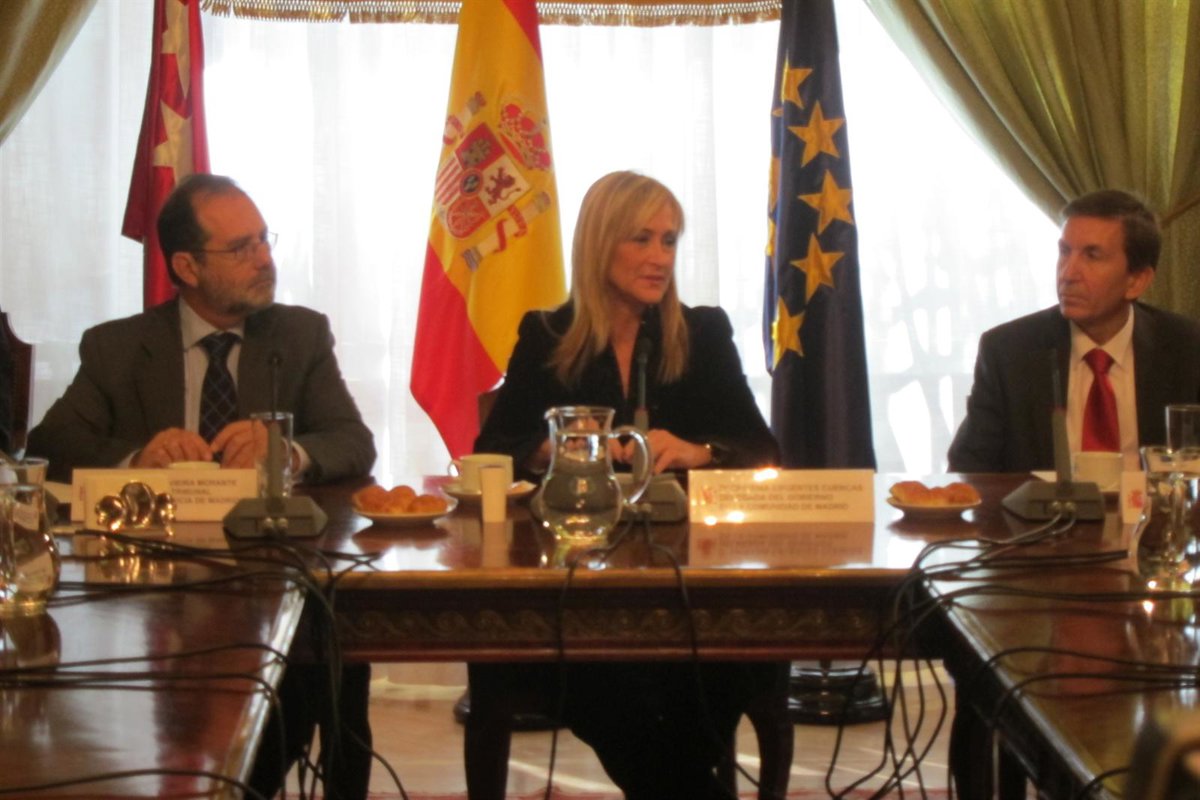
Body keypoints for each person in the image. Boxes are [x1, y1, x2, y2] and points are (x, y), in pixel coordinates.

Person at [26, 174, 375, 800]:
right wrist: (137, 459)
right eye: (241, 248)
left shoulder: (299, 336)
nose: (264, 258)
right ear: (186, 267)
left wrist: (288, 452)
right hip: (153, 588)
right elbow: (51, 446)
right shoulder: (118, 347)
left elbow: (352, 441)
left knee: (329, 664)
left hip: (272, 574)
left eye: (264, 239)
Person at [471, 171, 782, 800]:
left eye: (669, 240)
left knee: (714, 666)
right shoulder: (546, 334)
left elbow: (762, 450)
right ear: (599, 243)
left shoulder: (703, 332)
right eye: (641, 239)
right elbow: (493, 451)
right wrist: (558, 446)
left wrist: (700, 451)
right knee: (607, 676)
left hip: (689, 577)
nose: (659, 257)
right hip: (579, 580)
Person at [947, 189, 1200, 473]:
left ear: (1137, 281)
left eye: (1092, 256)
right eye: (1065, 252)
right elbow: (968, 472)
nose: (1068, 273)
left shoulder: (1187, 347)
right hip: (1043, 504)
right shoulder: (1008, 351)